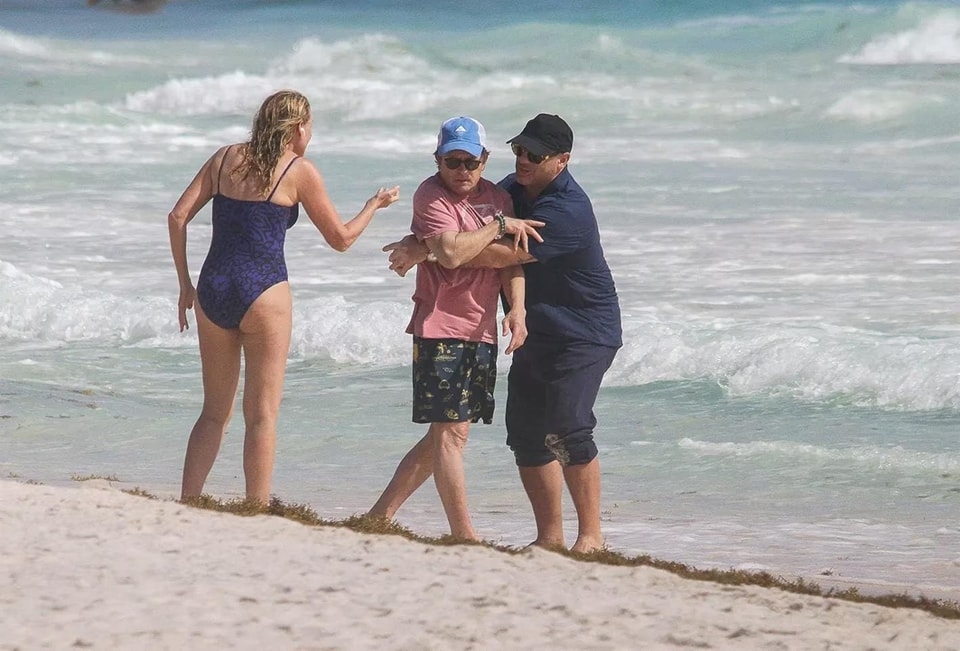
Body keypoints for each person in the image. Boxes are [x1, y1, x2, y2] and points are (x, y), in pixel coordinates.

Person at [383, 113, 621, 553]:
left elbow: (494, 256)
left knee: (567, 427)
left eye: (536, 154)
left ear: (563, 161)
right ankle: (549, 539)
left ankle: (591, 536)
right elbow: (458, 234)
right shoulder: (509, 192)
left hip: (583, 331)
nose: (524, 159)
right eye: (519, 150)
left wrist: (429, 250)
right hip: (528, 327)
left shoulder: (566, 210)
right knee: (526, 434)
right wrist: (431, 242)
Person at [168, 89, 399, 504]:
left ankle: (188, 502)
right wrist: (373, 205)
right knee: (261, 416)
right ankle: (255, 508)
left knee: (213, 412)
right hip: (264, 292)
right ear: (297, 128)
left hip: (213, 286)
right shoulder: (298, 170)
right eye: (310, 126)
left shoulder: (224, 158)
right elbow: (342, 239)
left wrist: (185, 284)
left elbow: (177, 215)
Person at [367, 116, 543, 540]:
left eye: (470, 162)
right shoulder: (431, 195)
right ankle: (465, 537)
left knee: (446, 434)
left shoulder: (499, 196)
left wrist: (517, 310)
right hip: (439, 325)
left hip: (481, 327)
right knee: (451, 435)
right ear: (438, 160)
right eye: (452, 161)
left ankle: (376, 517)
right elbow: (450, 252)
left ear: (484, 159)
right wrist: (498, 226)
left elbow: (512, 261)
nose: (462, 171)